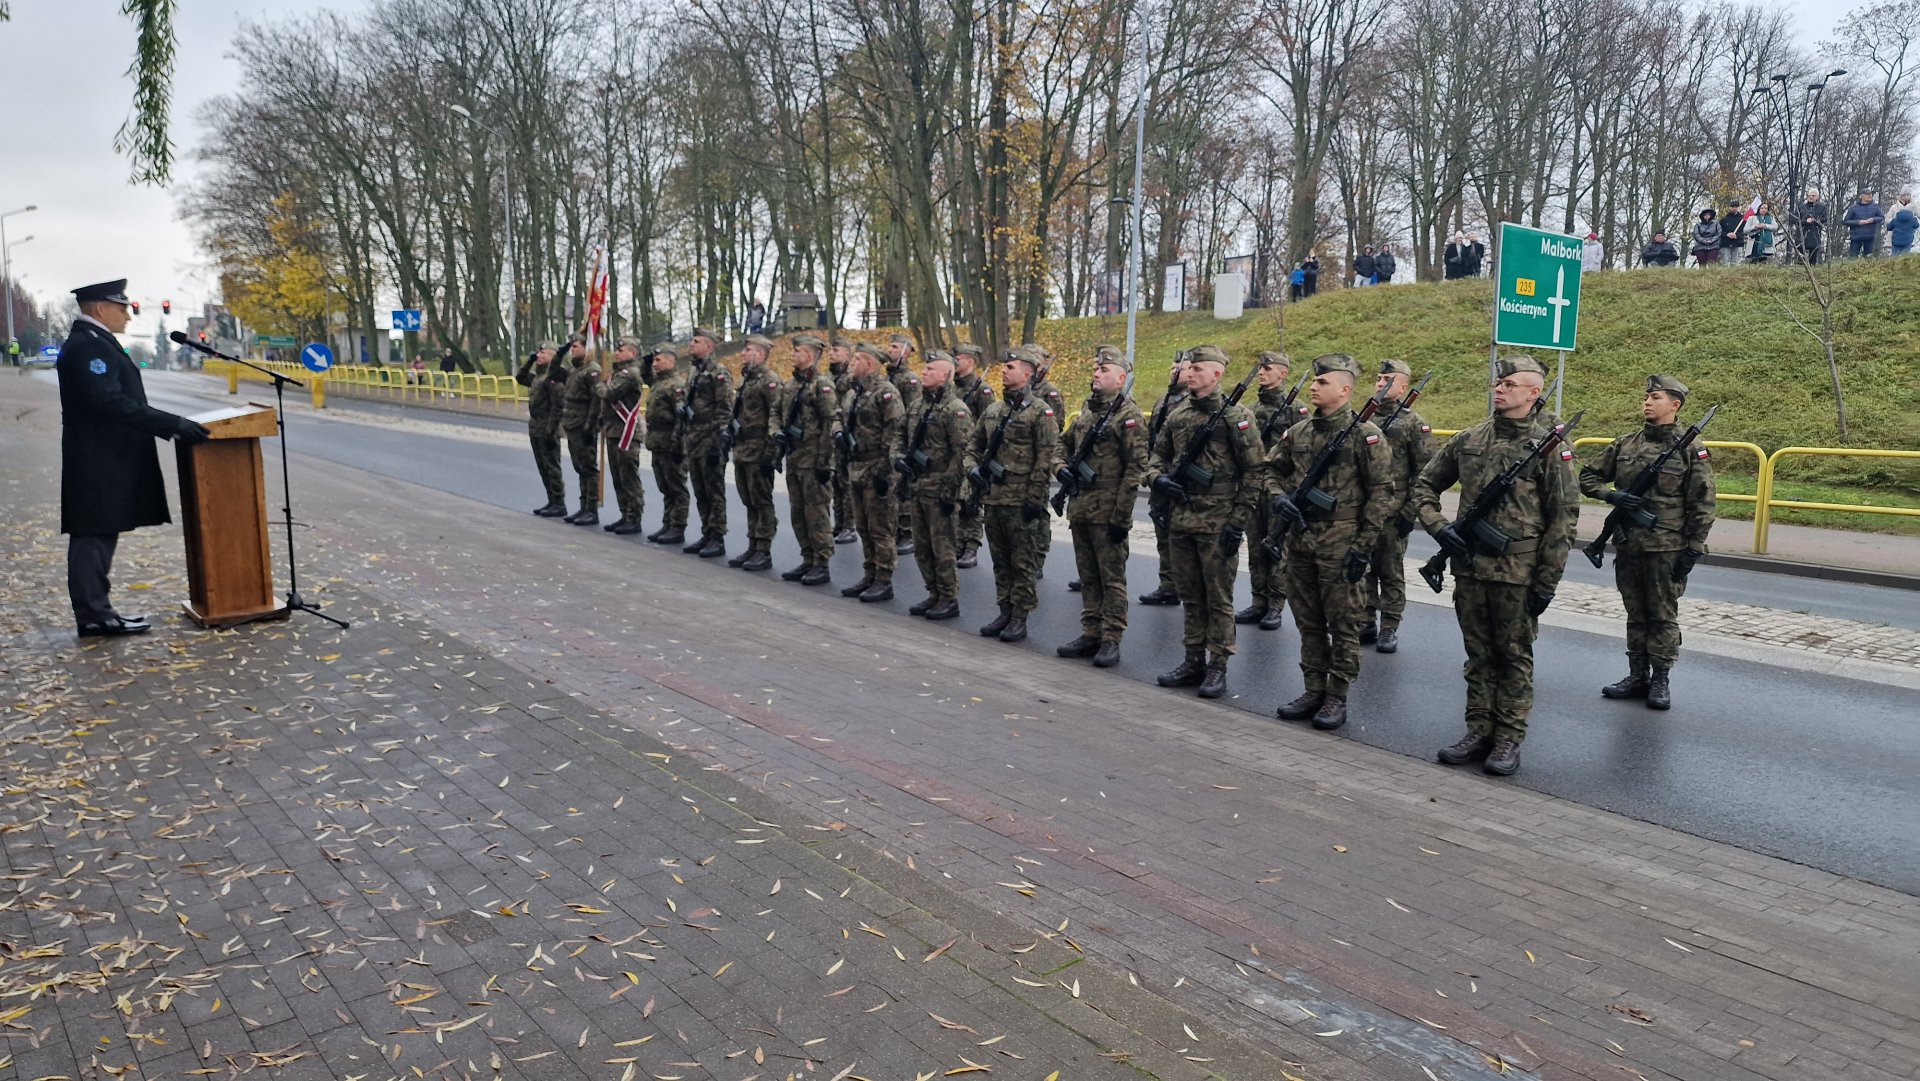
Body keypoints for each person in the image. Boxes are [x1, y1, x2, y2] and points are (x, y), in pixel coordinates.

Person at [1413, 355, 1577, 777]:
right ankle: (1478, 730)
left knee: (1514, 657)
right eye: (1498, 383)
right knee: (1478, 655)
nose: (1500, 389)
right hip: (1470, 567)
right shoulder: (1469, 439)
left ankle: (1508, 738)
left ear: (1534, 393)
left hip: (1518, 573)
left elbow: (1563, 519)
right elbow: (1424, 485)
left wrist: (1548, 581)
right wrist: (1438, 527)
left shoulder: (1549, 447)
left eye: (1510, 384)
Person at [56, 278, 210, 636]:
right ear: (100, 309)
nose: (128, 315)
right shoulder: (88, 346)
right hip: (97, 458)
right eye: (122, 308)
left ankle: (98, 610)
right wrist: (172, 424)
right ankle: (94, 615)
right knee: (93, 533)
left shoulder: (95, 341)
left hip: (102, 457)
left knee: (100, 532)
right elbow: (109, 401)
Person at [1580, 375, 1717, 711]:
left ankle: (1660, 679)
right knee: (1635, 613)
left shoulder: (1691, 449)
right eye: (1646, 397)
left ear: (1675, 404)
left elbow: (1703, 502)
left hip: (1666, 549)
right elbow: (1588, 477)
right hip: (1628, 544)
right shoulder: (1626, 444)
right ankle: (1637, 675)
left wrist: (1694, 547)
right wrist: (1612, 496)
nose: (1647, 402)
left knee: (1662, 615)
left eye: (1655, 397)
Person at [1269, 354, 1392, 729]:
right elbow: (1270, 470)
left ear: (1345, 389)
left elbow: (1380, 495)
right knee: (1307, 621)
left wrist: (1363, 547)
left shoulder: (1366, 435)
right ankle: (1313, 689)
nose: (1314, 386)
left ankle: (1336, 695)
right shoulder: (1299, 432)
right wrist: (1279, 498)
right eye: (1314, 381)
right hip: (1301, 540)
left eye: (1322, 382)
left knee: (1343, 624)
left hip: (1342, 544)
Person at [1146, 345, 1264, 699]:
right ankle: (1193, 659)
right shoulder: (1178, 415)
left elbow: (1255, 473)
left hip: (1218, 521)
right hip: (1182, 518)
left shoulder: (1237, 417)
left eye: (1198, 368)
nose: (1190, 373)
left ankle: (1218, 665)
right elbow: (1156, 457)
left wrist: (1237, 523)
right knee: (1190, 595)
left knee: (1218, 598)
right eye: (1189, 368)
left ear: (1217, 374)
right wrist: (1158, 479)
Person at [1055, 345, 1148, 667]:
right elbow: (1063, 443)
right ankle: (1090, 631)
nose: (1096, 373)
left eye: (1104, 370)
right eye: (1096, 369)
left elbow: (1135, 469)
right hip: (1081, 505)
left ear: (1121, 379)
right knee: (1088, 575)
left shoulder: (1129, 416)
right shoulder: (1087, 409)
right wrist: (1059, 468)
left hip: (1107, 510)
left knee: (1111, 579)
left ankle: (1111, 638)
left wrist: (1121, 517)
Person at [965, 345, 1059, 643]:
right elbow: (972, 447)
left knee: (1023, 563)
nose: (1004, 371)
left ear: (1027, 374)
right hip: (993, 497)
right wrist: (972, 469)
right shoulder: (994, 410)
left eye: (1010, 367)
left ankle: (1020, 616)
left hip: (1021, 500)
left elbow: (1045, 458)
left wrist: (1035, 499)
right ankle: (1004, 610)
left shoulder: (1040, 411)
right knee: (1001, 560)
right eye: (1005, 367)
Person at [1358, 359, 1434, 654]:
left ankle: (1389, 626)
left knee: (1390, 572)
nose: (1380, 383)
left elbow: (1424, 472)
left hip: (1394, 509)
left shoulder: (1414, 424)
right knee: (1362, 567)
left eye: (1387, 379)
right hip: (1365, 508)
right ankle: (1365, 621)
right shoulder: (1364, 418)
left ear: (1403, 387)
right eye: (1378, 378)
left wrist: (1410, 511)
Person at [899, 349, 974, 619]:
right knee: (922, 547)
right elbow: (899, 435)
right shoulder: (917, 406)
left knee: (942, 548)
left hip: (940, 488)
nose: (924, 372)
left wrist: (950, 491)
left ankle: (948, 597)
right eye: (925, 368)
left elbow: (962, 453)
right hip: (917, 485)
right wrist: (898, 459)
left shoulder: (956, 410)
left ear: (945, 376)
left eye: (931, 369)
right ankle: (933, 592)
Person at [1237, 351, 1305, 632]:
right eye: (1260, 369)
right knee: (1255, 545)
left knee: (1278, 545)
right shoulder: (1250, 409)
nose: (1261, 373)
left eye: (1267, 368)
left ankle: (1276, 605)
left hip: (1280, 489)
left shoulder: (1297, 410)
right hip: (1254, 487)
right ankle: (1258, 600)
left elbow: (1303, 453)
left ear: (1283, 373)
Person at [838, 343, 907, 601]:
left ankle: (884, 579)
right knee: (863, 527)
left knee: (880, 529)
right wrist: (838, 433)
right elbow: (838, 416)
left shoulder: (886, 393)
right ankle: (870, 574)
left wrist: (884, 472)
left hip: (876, 467)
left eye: (857, 359)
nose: (851, 363)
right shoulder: (853, 392)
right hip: (855, 466)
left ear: (869, 365)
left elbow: (895, 433)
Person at [774, 334, 841, 587]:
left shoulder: (822, 386)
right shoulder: (791, 384)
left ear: (810, 355)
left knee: (817, 513)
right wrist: (776, 432)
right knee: (798, 512)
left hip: (814, 460)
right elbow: (775, 412)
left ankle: (821, 563)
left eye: (797, 351)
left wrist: (825, 462)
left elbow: (830, 423)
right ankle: (808, 557)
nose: (792, 354)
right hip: (794, 457)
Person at [1137, 352, 1191, 606]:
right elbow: (1153, 437)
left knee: (1181, 538)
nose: (1174, 371)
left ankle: (1185, 587)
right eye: (1172, 367)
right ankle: (1168, 585)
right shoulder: (1164, 400)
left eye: (1181, 368)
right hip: (1160, 476)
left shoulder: (1192, 403)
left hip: (1179, 478)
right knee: (1162, 532)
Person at [728, 334, 783, 570]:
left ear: (759, 354)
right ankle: (753, 544)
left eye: (747, 350)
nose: (742, 353)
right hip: (743, 448)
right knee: (748, 500)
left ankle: (764, 549)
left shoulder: (769, 381)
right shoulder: (747, 380)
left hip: (759, 449)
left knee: (761, 500)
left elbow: (775, 416)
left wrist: (771, 453)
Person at [681, 326, 735, 558]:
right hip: (694, 438)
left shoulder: (719, 373)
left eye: (696, 341)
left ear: (709, 346)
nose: (691, 344)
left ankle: (717, 537)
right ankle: (707, 532)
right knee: (700, 490)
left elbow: (725, 410)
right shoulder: (694, 371)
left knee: (714, 491)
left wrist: (718, 444)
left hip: (710, 438)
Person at [594, 338, 648, 535]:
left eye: (621, 350)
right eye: (616, 350)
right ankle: (625, 514)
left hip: (626, 431)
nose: (617, 353)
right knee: (618, 477)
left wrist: (599, 385)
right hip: (614, 430)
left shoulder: (630, 373)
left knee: (629, 477)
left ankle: (634, 517)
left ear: (632, 353)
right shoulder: (616, 373)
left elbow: (610, 393)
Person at [950, 342, 996, 568]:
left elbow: (989, 422)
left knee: (971, 501)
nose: (955, 362)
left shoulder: (982, 390)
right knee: (956, 499)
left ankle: (971, 546)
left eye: (958, 358)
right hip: (953, 453)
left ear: (970, 361)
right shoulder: (952, 388)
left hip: (973, 453)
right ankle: (958, 543)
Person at [643, 345, 692, 545]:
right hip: (657, 442)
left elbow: (681, 419)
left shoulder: (676, 385)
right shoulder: (658, 382)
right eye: (654, 361)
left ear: (671, 362)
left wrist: (678, 446)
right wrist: (647, 359)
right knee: (665, 486)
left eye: (658, 360)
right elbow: (644, 374)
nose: (654, 364)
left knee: (676, 487)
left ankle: (678, 527)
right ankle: (668, 523)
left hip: (671, 443)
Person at [515, 341, 568, 516]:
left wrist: (551, 430)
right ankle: (551, 500)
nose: (539, 356)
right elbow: (520, 378)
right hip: (536, 427)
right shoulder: (538, 377)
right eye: (538, 353)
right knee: (543, 467)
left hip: (548, 428)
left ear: (553, 356)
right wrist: (529, 361)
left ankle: (559, 502)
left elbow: (558, 406)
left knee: (552, 467)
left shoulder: (554, 377)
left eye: (543, 353)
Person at [884, 333, 923, 556]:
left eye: (894, 346)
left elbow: (913, 412)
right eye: (889, 346)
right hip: (887, 440)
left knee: (902, 487)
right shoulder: (888, 377)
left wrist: (908, 444)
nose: (889, 350)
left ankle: (907, 532)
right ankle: (894, 529)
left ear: (906, 352)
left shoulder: (910, 380)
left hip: (902, 440)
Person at [558, 338, 602, 526]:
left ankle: (591, 509)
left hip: (584, 424)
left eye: (575, 347)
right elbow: (554, 372)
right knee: (580, 467)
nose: (572, 350)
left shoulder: (592, 370)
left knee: (588, 468)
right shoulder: (576, 370)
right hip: (572, 424)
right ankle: (583, 507)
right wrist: (560, 354)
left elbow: (596, 400)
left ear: (587, 348)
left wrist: (590, 426)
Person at [827, 336, 858, 544]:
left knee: (846, 482)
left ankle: (849, 525)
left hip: (845, 434)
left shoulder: (850, 378)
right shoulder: (830, 375)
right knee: (836, 481)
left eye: (836, 350)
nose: (831, 353)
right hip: (832, 433)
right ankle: (838, 523)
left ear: (847, 354)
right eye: (831, 350)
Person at [1843, 191, 1885, 257]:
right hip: (1856, 237)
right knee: (1853, 258)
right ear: (1861, 196)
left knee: (1869, 258)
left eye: (1870, 194)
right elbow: (1846, 221)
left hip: (1870, 237)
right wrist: (1858, 222)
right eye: (1867, 194)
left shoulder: (1875, 206)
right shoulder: (1854, 207)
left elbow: (1881, 217)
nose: (1870, 196)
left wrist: (1873, 219)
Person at [1797, 189, 1828, 263]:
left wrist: (1815, 220)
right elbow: (1796, 220)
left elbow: (1825, 219)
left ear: (1817, 197)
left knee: (1813, 258)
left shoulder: (1822, 207)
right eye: (1809, 195)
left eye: (1813, 195)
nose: (1811, 197)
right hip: (1802, 235)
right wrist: (1806, 221)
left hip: (1815, 234)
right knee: (1801, 259)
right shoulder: (1801, 207)